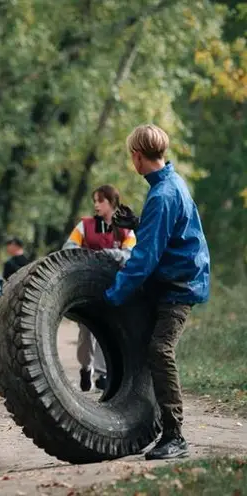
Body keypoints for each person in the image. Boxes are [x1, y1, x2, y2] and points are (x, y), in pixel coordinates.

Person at [105, 124, 210, 460]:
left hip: (179, 285)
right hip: (171, 279)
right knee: (145, 347)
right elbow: (165, 234)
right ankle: (149, 423)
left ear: (137, 156)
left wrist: (112, 297)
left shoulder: (164, 194)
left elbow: (144, 258)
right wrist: (138, 223)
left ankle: (176, 435)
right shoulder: (166, 184)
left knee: (160, 350)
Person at [63, 184, 136, 393]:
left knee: (108, 329)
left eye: (100, 201)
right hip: (87, 288)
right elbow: (69, 248)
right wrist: (89, 257)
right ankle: (85, 368)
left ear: (112, 203)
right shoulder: (84, 226)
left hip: (114, 287)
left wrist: (111, 255)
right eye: (94, 200)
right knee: (86, 333)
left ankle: (102, 374)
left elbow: (130, 254)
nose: (96, 205)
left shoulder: (126, 229)